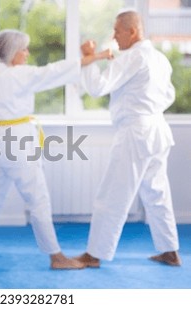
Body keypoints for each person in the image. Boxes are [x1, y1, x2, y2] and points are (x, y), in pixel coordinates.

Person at [0, 29, 110, 269]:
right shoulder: (21, 75)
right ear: (12, 54)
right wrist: (97, 57)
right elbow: (55, 71)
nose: (27, 54)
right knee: (38, 199)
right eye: (23, 50)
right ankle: (56, 257)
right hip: (18, 141)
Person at [76, 10, 181, 268]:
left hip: (136, 132)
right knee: (157, 193)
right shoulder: (159, 59)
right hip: (157, 129)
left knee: (112, 194)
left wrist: (88, 59)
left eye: (117, 31)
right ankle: (170, 251)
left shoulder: (132, 57)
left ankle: (93, 254)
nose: (114, 37)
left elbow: (97, 88)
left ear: (132, 31)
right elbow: (169, 96)